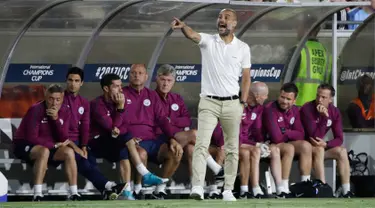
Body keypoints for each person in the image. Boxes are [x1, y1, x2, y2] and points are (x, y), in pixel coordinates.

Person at [171, 8, 252, 201]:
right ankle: (197, 188)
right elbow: (193, 35)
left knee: (232, 148)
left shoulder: (243, 48)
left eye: (226, 18)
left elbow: (246, 77)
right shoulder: (208, 41)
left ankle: (228, 190)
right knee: (201, 145)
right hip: (208, 102)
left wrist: (242, 102)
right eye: (220, 17)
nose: (222, 20)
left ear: (234, 24)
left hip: (233, 103)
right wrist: (183, 27)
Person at [89, 73, 168, 200]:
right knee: (125, 137)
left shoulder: (120, 101)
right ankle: (145, 174)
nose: (121, 89)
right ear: (106, 89)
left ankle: (127, 191)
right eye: (116, 86)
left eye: (121, 86)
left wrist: (120, 109)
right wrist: (119, 109)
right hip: (96, 143)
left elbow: (124, 126)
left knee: (124, 146)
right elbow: (111, 128)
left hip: (115, 141)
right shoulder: (97, 104)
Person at [154, 64, 224, 189]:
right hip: (160, 139)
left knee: (192, 148)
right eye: (163, 80)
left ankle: (196, 186)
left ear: (173, 82)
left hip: (179, 139)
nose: (165, 84)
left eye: (169, 80)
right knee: (194, 134)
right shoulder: (151, 97)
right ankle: (216, 169)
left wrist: (171, 121)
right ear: (156, 79)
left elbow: (186, 119)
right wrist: (171, 123)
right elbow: (158, 122)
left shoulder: (177, 98)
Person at [63, 67, 127, 200]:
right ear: (66, 81)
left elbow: (85, 127)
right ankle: (109, 186)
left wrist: (84, 146)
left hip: (79, 142)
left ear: (81, 83)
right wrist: (77, 148)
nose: (73, 84)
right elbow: (59, 130)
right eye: (70, 80)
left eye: (76, 81)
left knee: (88, 158)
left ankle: (106, 190)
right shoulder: (59, 99)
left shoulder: (84, 102)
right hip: (62, 142)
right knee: (83, 160)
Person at [121, 64, 183, 200]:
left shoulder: (152, 95)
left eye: (140, 73)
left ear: (146, 77)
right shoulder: (122, 93)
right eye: (133, 73)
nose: (137, 75)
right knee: (141, 153)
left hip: (152, 141)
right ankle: (138, 189)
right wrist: (129, 137)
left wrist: (171, 139)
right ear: (129, 75)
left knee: (176, 152)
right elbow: (118, 119)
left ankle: (159, 189)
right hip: (132, 141)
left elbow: (162, 119)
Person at [12, 84, 79, 201]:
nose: (54, 103)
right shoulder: (36, 109)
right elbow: (31, 137)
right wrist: (53, 145)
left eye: (58, 99)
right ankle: (37, 193)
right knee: (44, 151)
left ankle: (74, 193)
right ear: (46, 97)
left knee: (69, 152)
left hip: (49, 146)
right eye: (51, 99)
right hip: (24, 144)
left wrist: (56, 119)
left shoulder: (65, 110)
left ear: (62, 98)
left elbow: (63, 137)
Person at [301, 83, 354, 198]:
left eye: (324, 97)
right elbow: (314, 137)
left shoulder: (334, 112)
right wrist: (324, 118)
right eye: (318, 96)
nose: (319, 100)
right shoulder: (307, 108)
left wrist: (327, 144)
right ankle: (323, 188)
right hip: (305, 148)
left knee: (342, 151)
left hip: (319, 146)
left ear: (330, 99)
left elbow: (339, 138)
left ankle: (346, 191)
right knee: (319, 149)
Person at [237, 82, 286, 199]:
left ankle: (280, 189)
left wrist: (264, 143)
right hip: (235, 142)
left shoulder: (259, 108)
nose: (266, 98)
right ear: (257, 95)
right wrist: (257, 144)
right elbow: (236, 136)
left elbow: (257, 130)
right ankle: (255, 188)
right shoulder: (238, 105)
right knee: (255, 150)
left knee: (274, 150)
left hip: (248, 143)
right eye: (265, 95)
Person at [263, 83, 312, 194]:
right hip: (269, 144)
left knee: (306, 146)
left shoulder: (295, 110)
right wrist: (289, 133)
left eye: (288, 99)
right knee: (289, 148)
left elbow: (301, 134)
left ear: (294, 100)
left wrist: (286, 132)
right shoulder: (270, 109)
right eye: (282, 97)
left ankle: (305, 185)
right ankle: (284, 187)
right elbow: (276, 137)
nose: (284, 101)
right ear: (279, 95)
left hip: (285, 141)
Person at [282, 14, 331, 106]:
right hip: (319, 106)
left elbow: (285, 81)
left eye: (299, 27)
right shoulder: (327, 53)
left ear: (306, 29)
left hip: (298, 106)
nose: (297, 31)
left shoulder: (298, 50)